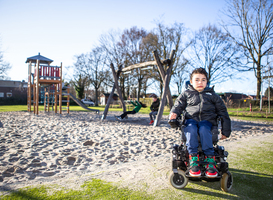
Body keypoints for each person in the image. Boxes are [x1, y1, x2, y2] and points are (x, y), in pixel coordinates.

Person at [169, 67, 231, 178]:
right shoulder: (186, 94)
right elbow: (177, 106)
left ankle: (210, 159)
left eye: (203, 80)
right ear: (191, 82)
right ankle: (193, 158)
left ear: (207, 82)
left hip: (207, 122)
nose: (200, 82)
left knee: (203, 128)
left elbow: (223, 113)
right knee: (191, 128)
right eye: (197, 80)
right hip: (190, 121)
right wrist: (173, 115)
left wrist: (226, 131)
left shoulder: (213, 96)